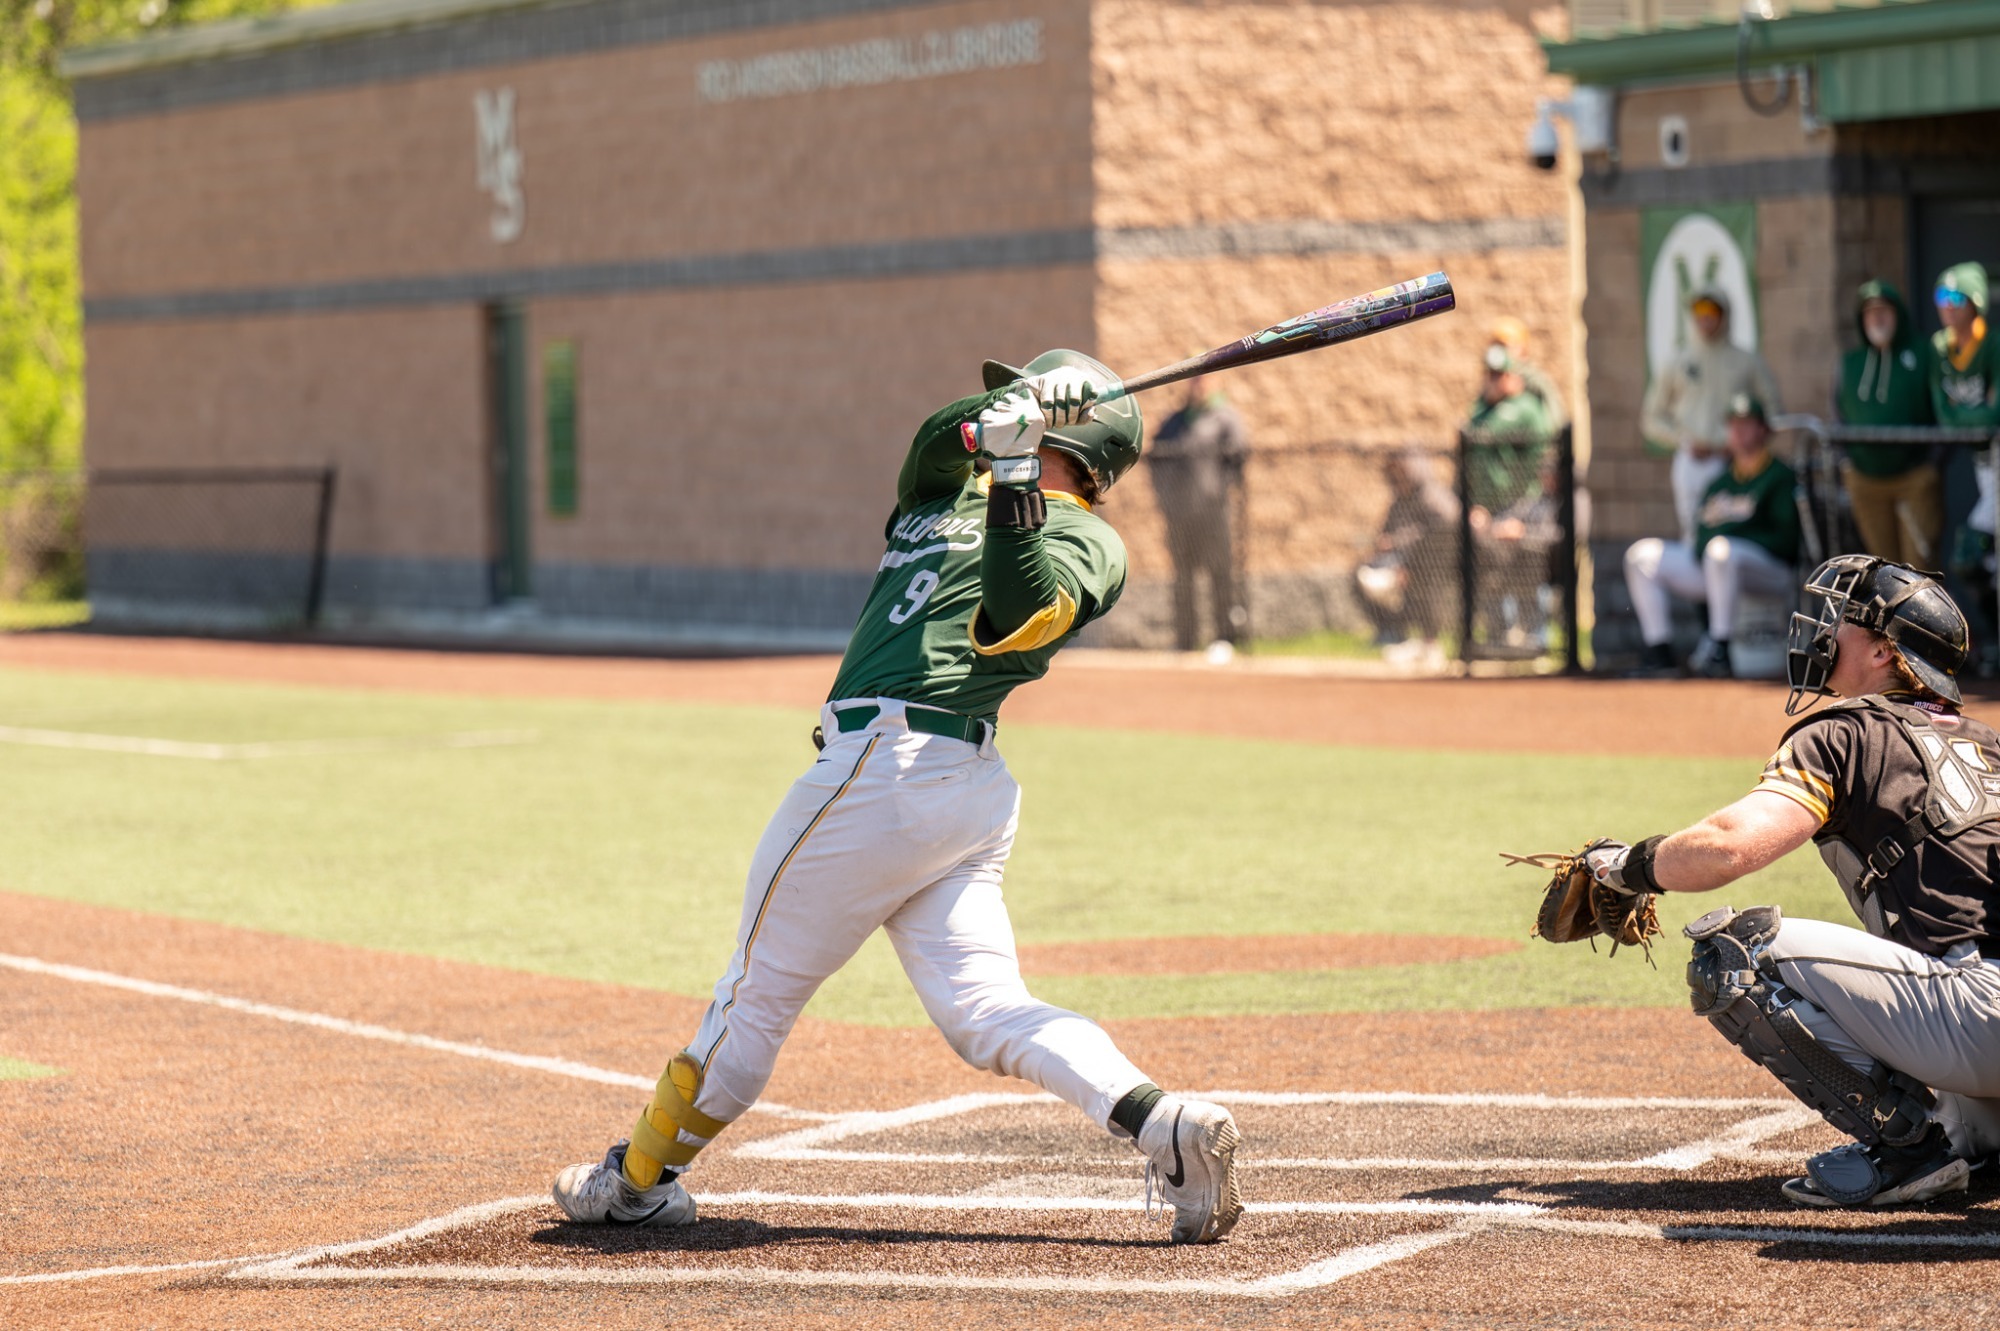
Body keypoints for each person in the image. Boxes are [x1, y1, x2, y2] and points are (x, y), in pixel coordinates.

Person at [548, 353, 1243, 1245]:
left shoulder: (1090, 542)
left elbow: (1016, 608)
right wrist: (1007, 414)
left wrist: (1021, 468)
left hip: (891, 768)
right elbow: (930, 445)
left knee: (755, 994)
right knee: (987, 1010)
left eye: (1026, 396)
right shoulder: (941, 494)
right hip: (947, 794)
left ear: (1074, 443)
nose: (1004, 408)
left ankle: (637, 1179)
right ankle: (1166, 1125)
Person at [1562, 556, 2000, 1208]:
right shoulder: (1989, 744)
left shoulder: (1847, 732)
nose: (1825, 631)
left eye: (1845, 621)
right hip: (1980, 1019)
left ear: (1883, 651)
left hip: (1977, 1017)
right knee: (1977, 1133)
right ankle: (1978, 1141)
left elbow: (1732, 846)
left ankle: (1908, 1147)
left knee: (1738, 953)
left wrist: (1626, 865)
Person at [1625, 393, 1800, 677]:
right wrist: (1723, 536)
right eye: (1733, 424)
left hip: (1769, 572)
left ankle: (1721, 647)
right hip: (1719, 568)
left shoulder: (1779, 475)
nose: (1739, 431)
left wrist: (1732, 534)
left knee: (1721, 549)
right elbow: (1702, 533)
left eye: (1747, 424)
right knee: (1641, 556)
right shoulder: (1720, 481)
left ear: (1762, 429)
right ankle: (1660, 651)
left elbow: (1787, 540)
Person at [1641, 287, 1783, 543]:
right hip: (1691, 462)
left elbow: (1773, 410)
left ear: (1724, 315)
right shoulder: (1678, 360)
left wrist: (1745, 443)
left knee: (1730, 533)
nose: (1705, 317)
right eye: (1699, 310)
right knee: (1693, 533)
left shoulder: (1746, 361)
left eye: (1712, 310)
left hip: (1735, 463)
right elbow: (1652, 417)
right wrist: (1682, 441)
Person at [1836, 281, 1938, 567]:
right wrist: (1847, 462)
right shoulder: (1850, 363)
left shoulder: (1922, 353)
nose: (1877, 318)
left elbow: (1943, 410)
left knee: (1920, 568)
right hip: (1866, 480)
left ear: (1898, 314)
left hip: (1914, 477)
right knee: (1882, 569)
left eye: (1884, 311)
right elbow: (1838, 414)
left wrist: (1933, 463)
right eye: (1870, 312)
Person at [1148, 373, 1248, 653]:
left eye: (1204, 378)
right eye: (1194, 379)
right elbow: (1156, 459)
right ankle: (1186, 639)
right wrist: (1166, 498)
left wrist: (1218, 492)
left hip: (1214, 513)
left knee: (1221, 574)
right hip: (1180, 514)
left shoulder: (1225, 418)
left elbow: (1237, 458)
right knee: (1183, 578)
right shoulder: (1175, 422)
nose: (1199, 384)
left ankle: (1225, 637)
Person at [1354, 449, 1457, 668]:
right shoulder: (1399, 501)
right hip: (1399, 562)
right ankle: (1394, 632)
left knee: (1424, 583)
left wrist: (1406, 559)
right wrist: (1381, 550)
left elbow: (1446, 527)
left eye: (1402, 472)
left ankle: (1429, 644)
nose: (1398, 478)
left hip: (1432, 563)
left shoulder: (1432, 496)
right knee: (1361, 573)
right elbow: (1387, 532)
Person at [1463, 345, 1556, 513]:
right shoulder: (1485, 407)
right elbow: (1467, 432)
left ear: (1511, 376)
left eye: (1499, 375)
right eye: (1490, 375)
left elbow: (1486, 433)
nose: (1493, 381)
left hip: (1521, 505)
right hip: (1488, 506)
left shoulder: (1523, 405)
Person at [1487, 316, 1568, 431]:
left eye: (1506, 346)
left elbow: (1555, 416)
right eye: (1498, 346)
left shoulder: (1534, 379)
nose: (1502, 352)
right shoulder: (1493, 377)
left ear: (1522, 349)